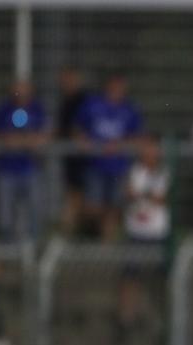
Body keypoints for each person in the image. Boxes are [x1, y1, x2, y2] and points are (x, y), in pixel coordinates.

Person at [75, 72, 144, 241]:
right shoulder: (93, 105)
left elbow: (138, 136)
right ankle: (86, 237)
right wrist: (83, 142)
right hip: (95, 165)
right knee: (93, 207)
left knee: (114, 208)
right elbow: (77, 128)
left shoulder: (130, 109)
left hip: (118, 167)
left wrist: (120, 145)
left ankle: (106, 244)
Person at [117, 135, 170, 339]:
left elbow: (160, 198)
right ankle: (126, 319)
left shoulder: (165, 172)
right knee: (130, 277)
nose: (149, 153)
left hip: (157, 233)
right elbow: (129, 193)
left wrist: (141, 194)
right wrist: (144, 195)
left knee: (157, 279)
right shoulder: (134, 171)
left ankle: (159, 321)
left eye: (153, 149)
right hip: (136, 232)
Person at [0, 80, 49, 241]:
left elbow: (42, 138)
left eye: (24, 89)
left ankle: (34, 246)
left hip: (30, 169)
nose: (21, 93)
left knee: (35, 209)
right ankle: (7, 245)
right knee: (5, 212)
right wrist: (26, 141)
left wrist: (21, 141)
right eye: (18, 89)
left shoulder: (37, 109)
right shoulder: (3, 108)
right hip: (6, 170)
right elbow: (3, 137)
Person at [57, 67, 91, 235]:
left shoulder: (84, 100)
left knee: (85, 199)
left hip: (86, 160)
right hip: (72, 159)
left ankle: (78, 232)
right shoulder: (65, 102)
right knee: (73, 196)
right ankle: (70, 232)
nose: (66, 84)